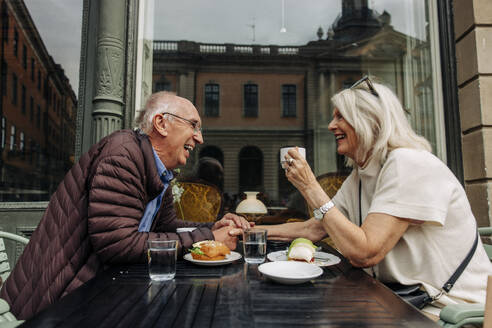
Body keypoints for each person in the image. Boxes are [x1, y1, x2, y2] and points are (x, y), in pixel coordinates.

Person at [0, 91, 251, 320]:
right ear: (161, 123)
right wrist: (207, 239)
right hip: (59, 301)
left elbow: (167, 226)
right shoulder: (123, 155)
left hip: (96, 289)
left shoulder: (154, 167)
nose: (199, 138)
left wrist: (213, 226)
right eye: (194, 125)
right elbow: (117, 243)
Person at [262, 76, 492, 317]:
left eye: (341, 116)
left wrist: (310, 186)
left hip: (449, 311)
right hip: (396, 301)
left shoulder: (409, 164)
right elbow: (314, 229)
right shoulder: (362, 175)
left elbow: (365, 253)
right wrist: (252, 231)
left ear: (369, 121)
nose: (331, 125)